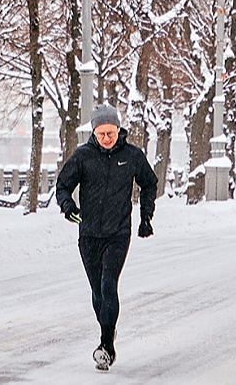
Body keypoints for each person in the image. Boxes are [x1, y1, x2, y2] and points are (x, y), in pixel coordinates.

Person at [56, 104, 158, 371]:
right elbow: (63, 184)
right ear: (94, 132)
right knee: (97, 293)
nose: (106, 138)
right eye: (101, 134)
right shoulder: (83, 156)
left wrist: (146, 216)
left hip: (118, 233)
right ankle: (108, 328)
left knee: (108, 283)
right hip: (89, 234)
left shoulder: (132, 155)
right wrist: (67, 206)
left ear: (118, 129)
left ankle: (106, 346)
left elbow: (149, 182)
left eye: (110, 132)